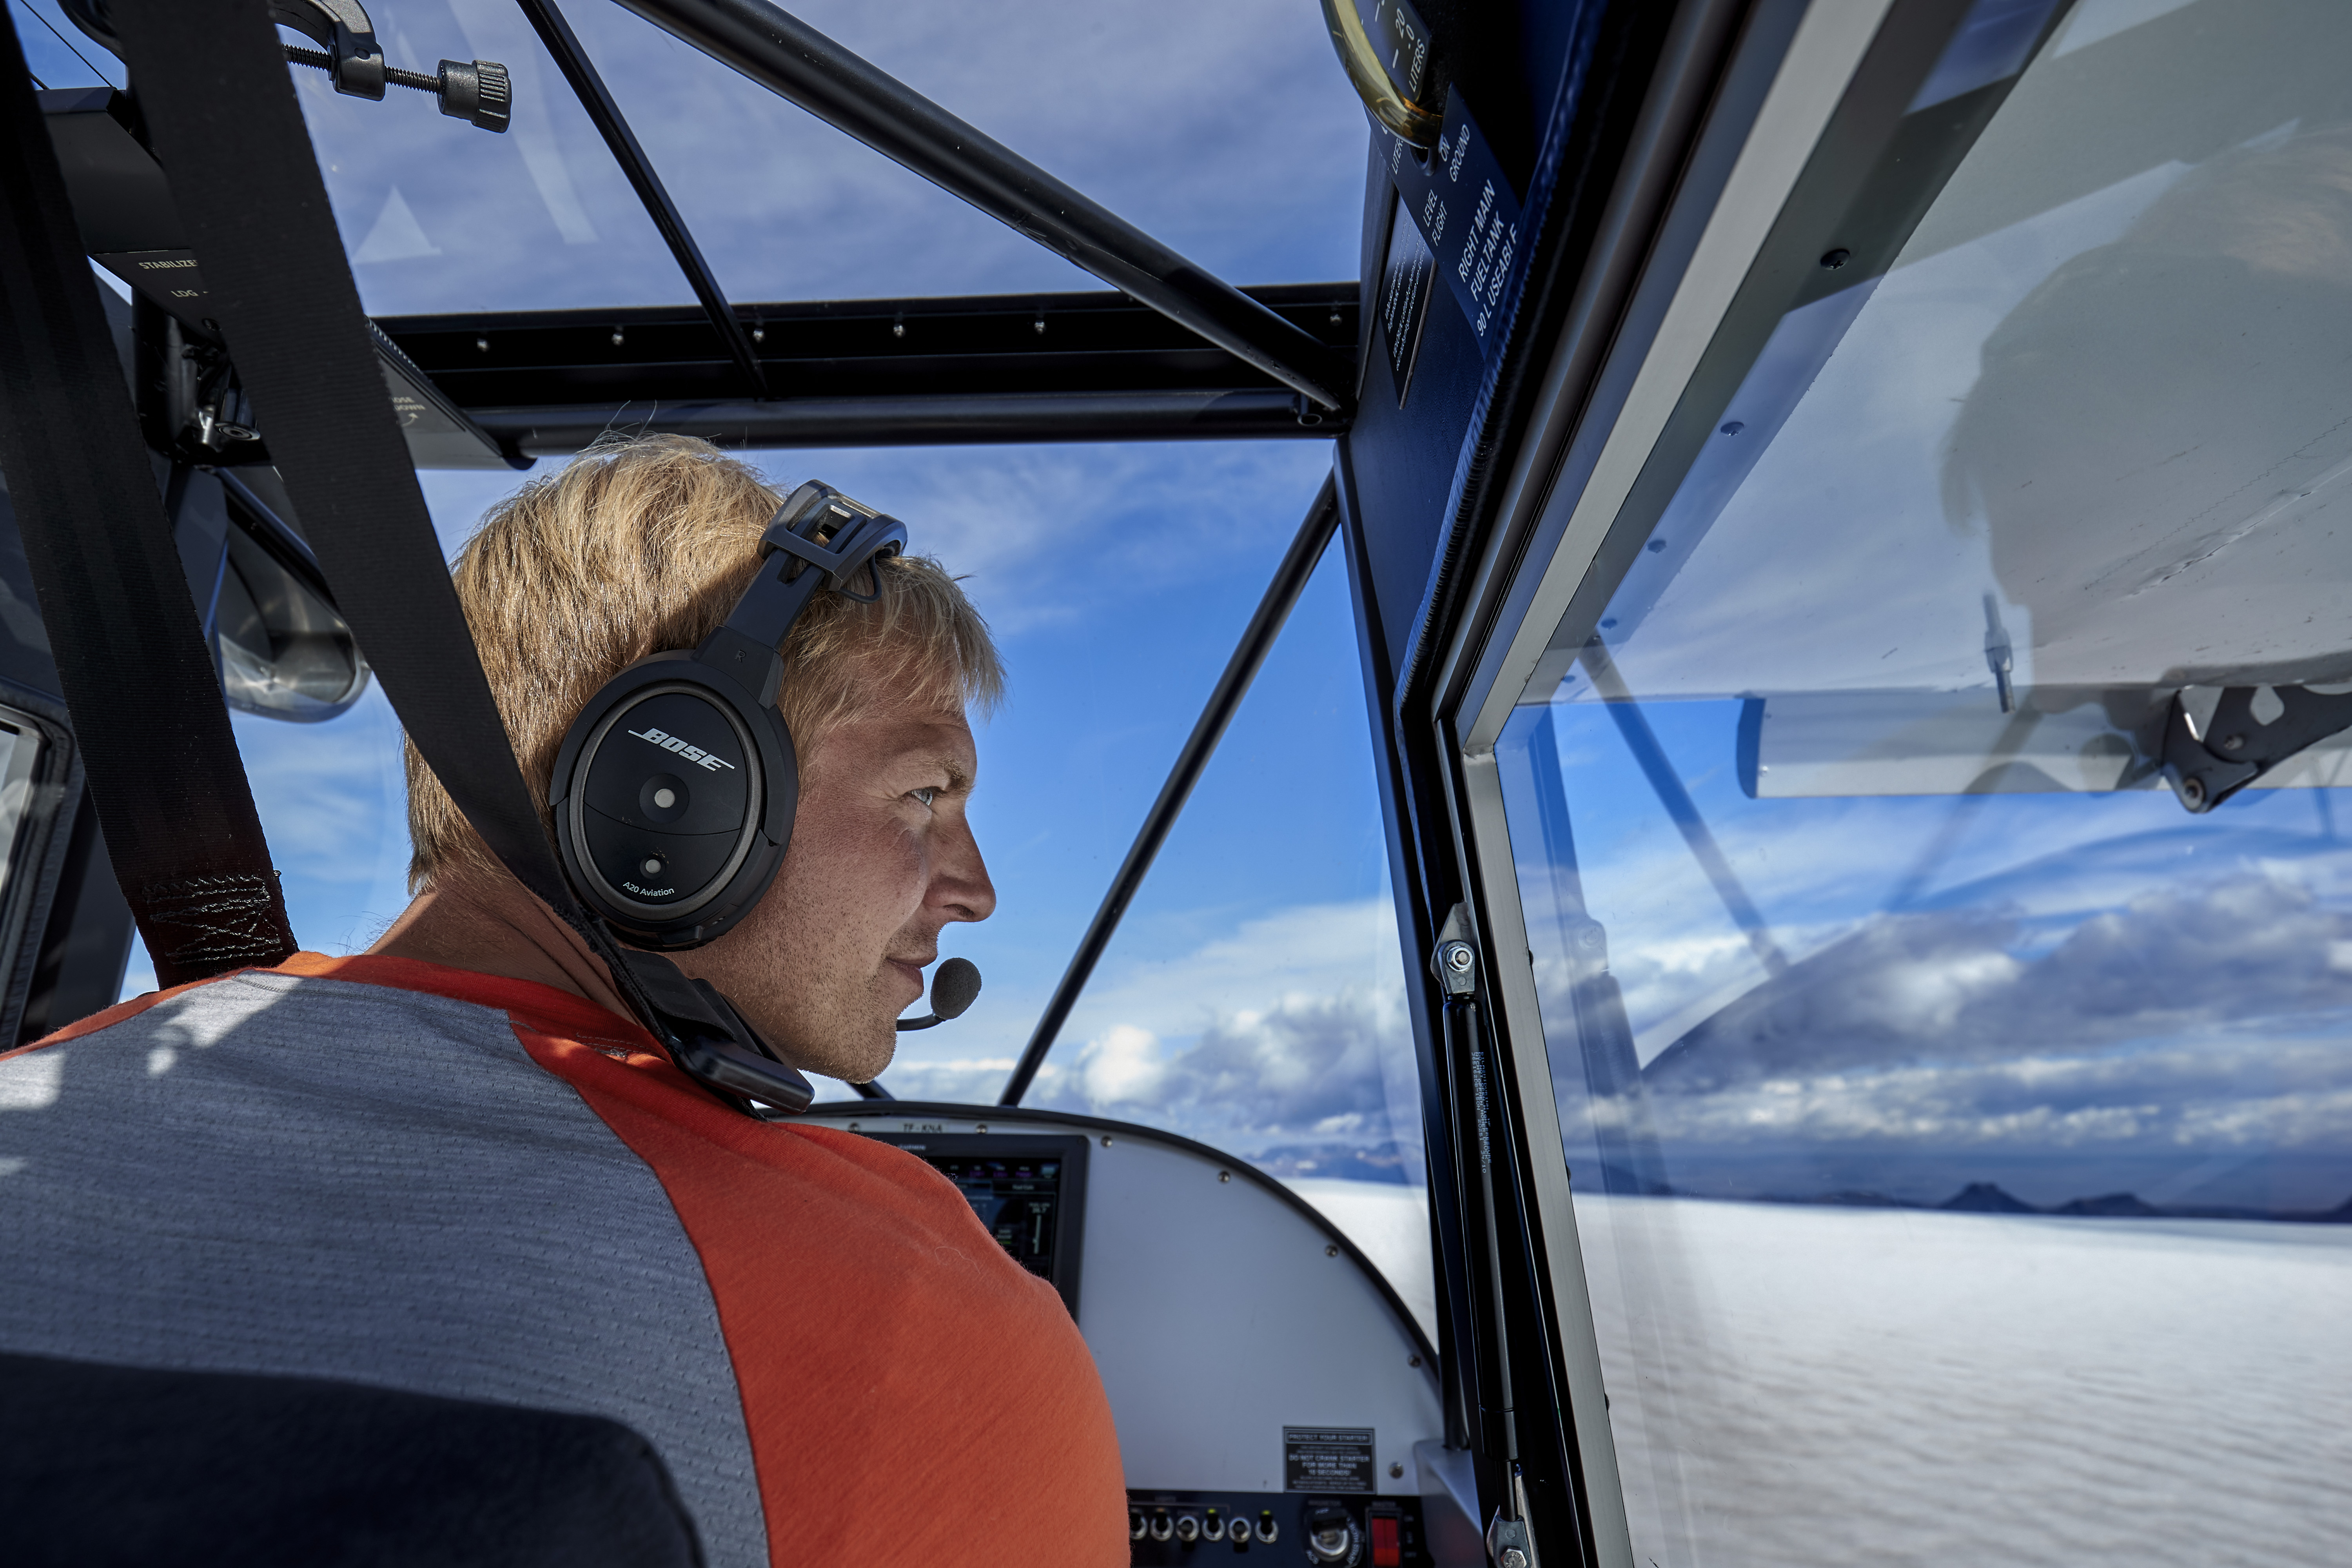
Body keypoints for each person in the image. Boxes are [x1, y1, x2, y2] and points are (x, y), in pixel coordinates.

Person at [0, 436, 1130, 1566]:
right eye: (925, 792)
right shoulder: (924, 1325)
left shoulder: (34, 1095)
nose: (975, 891)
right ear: (676, 786)